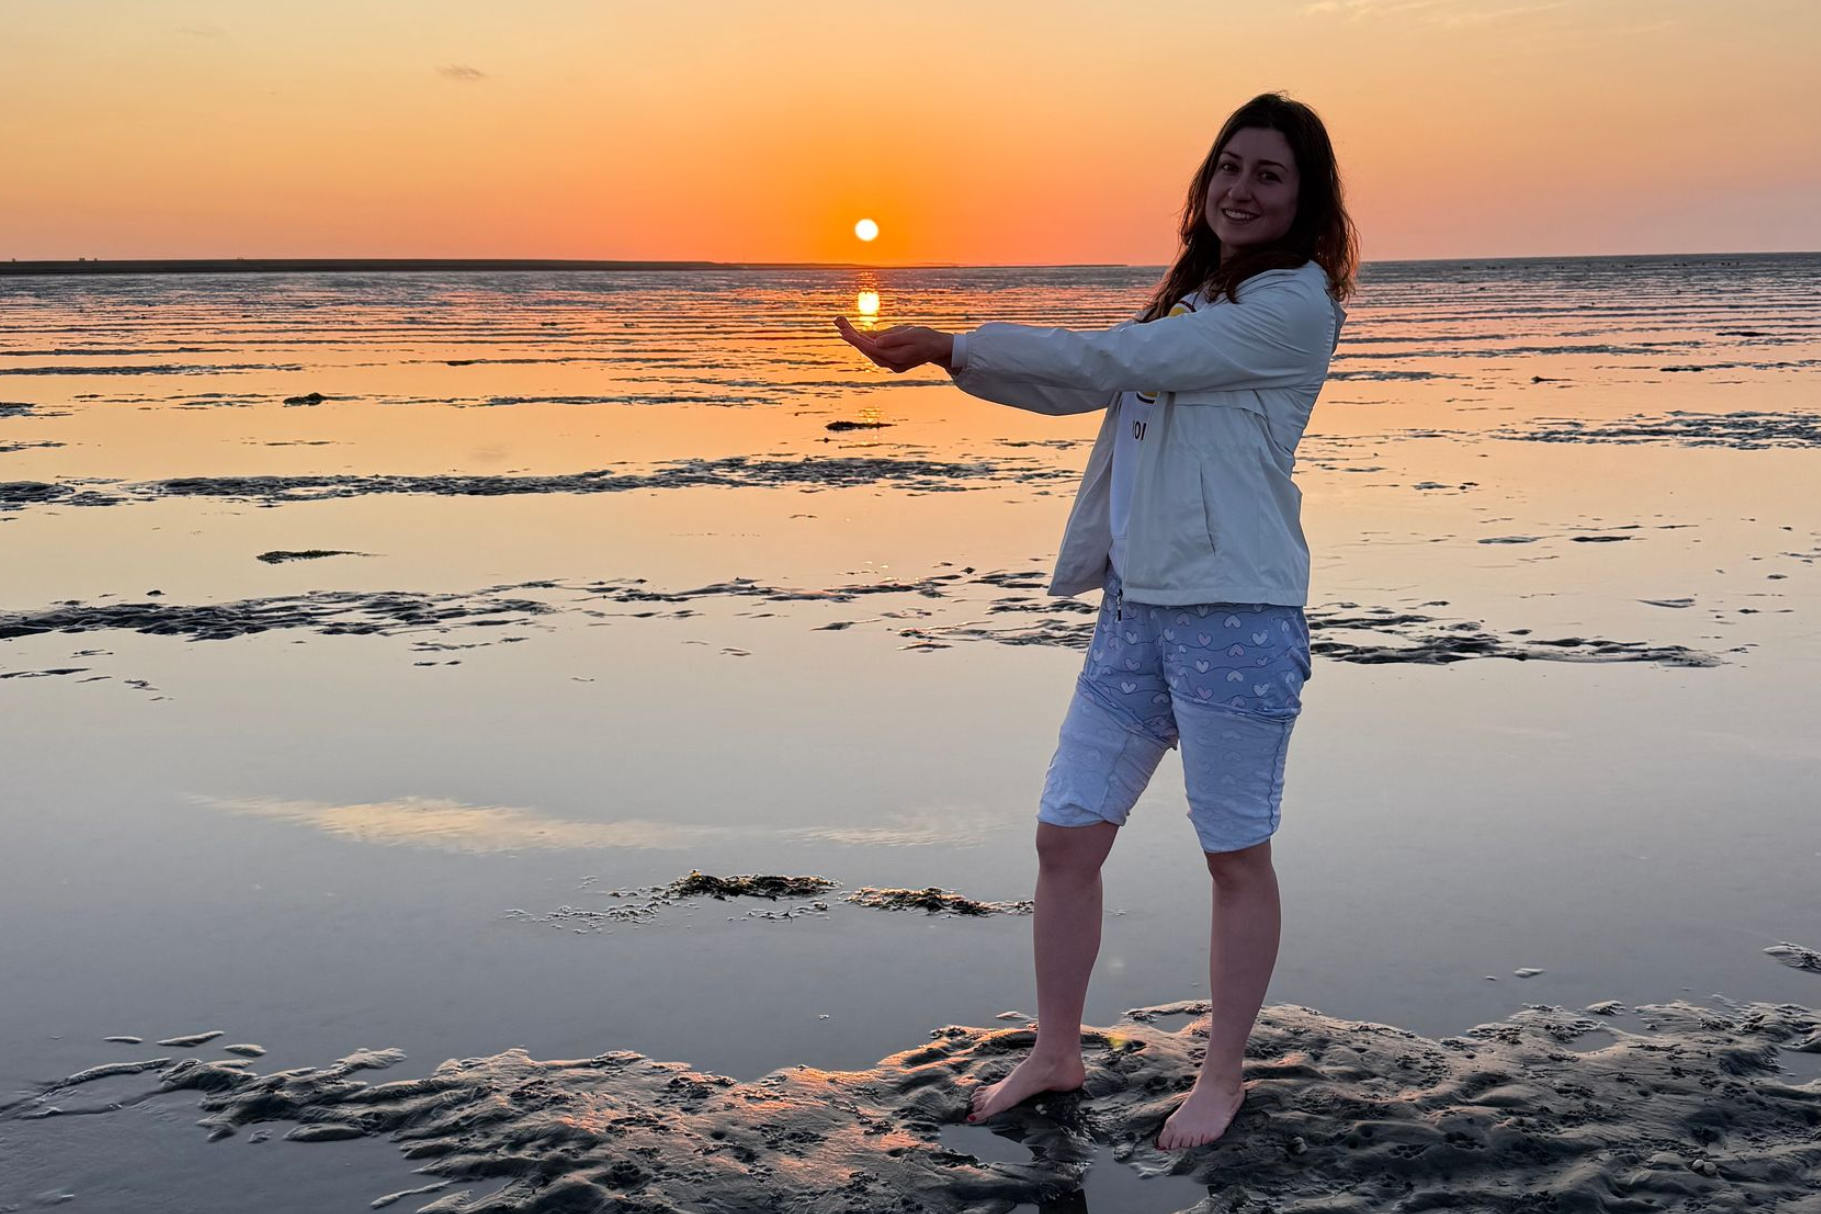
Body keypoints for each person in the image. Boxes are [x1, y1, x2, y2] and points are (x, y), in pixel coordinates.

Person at [834, 91, 1358, 1152]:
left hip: (1235, 615)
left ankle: (1221, 1075)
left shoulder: (1291, 306)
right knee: (1066, 835)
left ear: (1305, 202)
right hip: (1135, 614)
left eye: (1269, 175)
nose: (1240, 189)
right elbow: (1083, 387)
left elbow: (1110, 363)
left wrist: (952, 340)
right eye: (1229, 166)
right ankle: (1056, 1048)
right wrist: (957, 363)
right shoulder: (1193, 302)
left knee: (1233, 854)